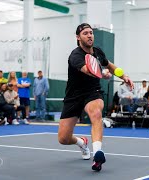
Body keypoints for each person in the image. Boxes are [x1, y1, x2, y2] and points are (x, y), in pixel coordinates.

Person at [58, 23, 134, 172]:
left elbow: (110, 65)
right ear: (78, 37)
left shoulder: (98, 52)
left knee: (96, 113)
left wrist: (123, 76)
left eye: (91, 32)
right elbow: (88, 69)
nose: (89, 35)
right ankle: (82, 142)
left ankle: (97, 152)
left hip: (92, 92)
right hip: (73, 96)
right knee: (63, 139)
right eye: (85, 33)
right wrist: (101, 73)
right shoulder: (76, 55)